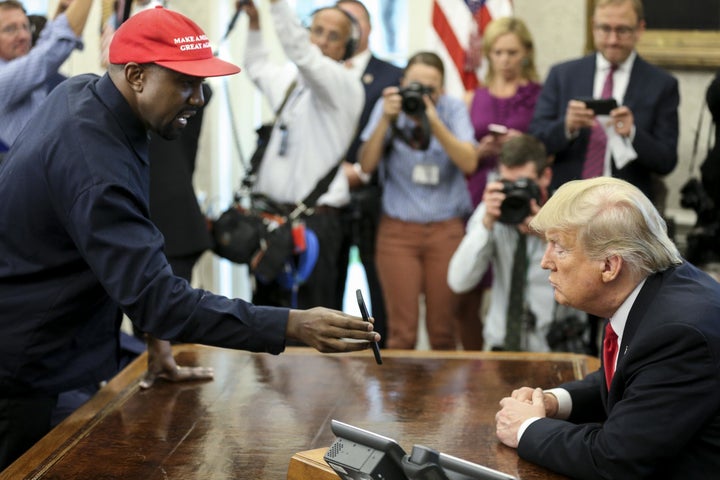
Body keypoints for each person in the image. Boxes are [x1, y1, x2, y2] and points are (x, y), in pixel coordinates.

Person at [0, 7, 379, 471]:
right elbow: (158, 299)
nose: (199, 98)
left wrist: (157, 334)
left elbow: (122, 242)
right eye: (185, 82)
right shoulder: (94, 165)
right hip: (23, 371)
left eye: (201, 84)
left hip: (59, 349)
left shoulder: (84, 94)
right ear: (136, 76)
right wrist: (292, 325)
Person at [494, 177, 720, 479]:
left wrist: (526, 428)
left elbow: (615, 460)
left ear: (610, 267)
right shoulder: (652, 289)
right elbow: (633, 377)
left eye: (559, 248)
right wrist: (554, 402)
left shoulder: (678, 333)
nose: (545, 262)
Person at [239, 0, 363, 309]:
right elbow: (257, 66)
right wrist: (254, 24)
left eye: (333, 36)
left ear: (346, 48)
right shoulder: (293, 81)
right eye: (317, 30)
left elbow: (301, 53)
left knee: (315, 323)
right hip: (274, 222)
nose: (321, 40)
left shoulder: (344, 84)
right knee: (267, 320)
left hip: (317, 226)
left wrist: (277, 5)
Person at [359, 51, 477, 350]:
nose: (422, 94)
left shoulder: (451, 109)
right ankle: (399, 398)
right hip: (398, 232)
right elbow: (367, 165)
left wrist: (434, 120)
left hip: (445, 231)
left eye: (431, 88)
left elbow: (469, 163)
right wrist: (386, 119)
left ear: (442, 89)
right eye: (415, 85)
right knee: (401, 333)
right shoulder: (388, 107)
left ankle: (445, 399)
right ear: (402, 83)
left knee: (442, 331)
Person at [528, 0, 678, 206]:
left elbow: (666, 161)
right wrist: (567, 126)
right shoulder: (563, 75)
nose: (613, 40)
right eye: (605, 29)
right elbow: (535, 143)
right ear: (593, 27)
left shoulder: (662, 84)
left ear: (640, 29)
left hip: (627, 208)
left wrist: (632, 133)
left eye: (623, 30)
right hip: (568, 203)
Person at [457, 16, 542, 351]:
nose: (505, 60)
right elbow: (463, 151)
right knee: (472, 277)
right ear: (488, 54)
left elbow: (543, 149)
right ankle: (481, 357)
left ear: (526, 54)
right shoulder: (472, 96)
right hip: (481, 188)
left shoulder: (539, 94)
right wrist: (481, 150)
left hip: (522, 190)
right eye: (497, 52)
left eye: (512, 52)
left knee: (515, 275)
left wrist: (522, 142)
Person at [448, 134, 559, 352]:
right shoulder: (493, 211)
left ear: (545, 176)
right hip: (501, 343)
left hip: (553, 344)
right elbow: (459, 281)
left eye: (523, 183)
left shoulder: (565, 212)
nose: (515, 191)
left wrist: (548, 234)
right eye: (507, 183)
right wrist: (486, 223)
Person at [334, 0, 402, 346]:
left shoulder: (392, 75)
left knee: (380, 284)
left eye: (354, 19)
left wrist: (361, 170)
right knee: (326, 282)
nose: (349, 26)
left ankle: (382, 352)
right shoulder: (320, 71)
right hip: (326, 197)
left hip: (373, 194)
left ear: (370, 27)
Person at [0, 0, 93, 154]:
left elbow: (45, 43)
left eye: (25, 26)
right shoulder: (3, 79)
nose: (23, 35)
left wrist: (64, 9)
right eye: (10, 29)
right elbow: (51, 51)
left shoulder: (19, 63)